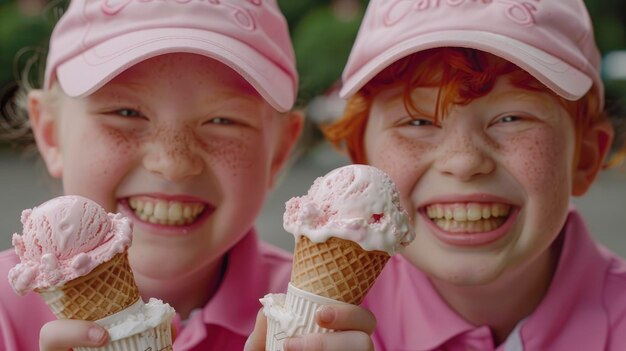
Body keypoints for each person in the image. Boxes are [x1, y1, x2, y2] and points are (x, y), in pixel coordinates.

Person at [0, 1, 373, 350]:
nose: (173, 163)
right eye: (127, 113)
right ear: (50, 133)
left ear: (279, 152)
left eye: (222, 120)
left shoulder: (345, 319)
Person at [319, 0, 626, 349]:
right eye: (417, 121)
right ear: (362, 160)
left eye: (511, 118)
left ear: (586, 157)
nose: (464, 162)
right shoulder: (315, 321)